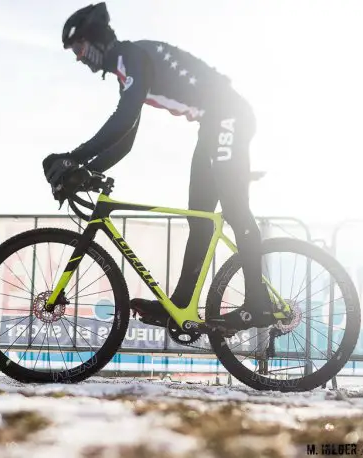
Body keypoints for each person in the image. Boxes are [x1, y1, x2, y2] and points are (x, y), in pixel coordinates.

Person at [42, 2, 277, 330]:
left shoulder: (131, 57)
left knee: (236, 209)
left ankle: (258, 303)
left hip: (229, 118)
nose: (79, 58)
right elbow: (125, 140)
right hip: (214, 125)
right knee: (199, 216)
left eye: (79, 47)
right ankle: (181, 304)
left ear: (94, 38)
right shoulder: (128, 68)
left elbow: (122, 120)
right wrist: (88, 170)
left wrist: (75, 157)